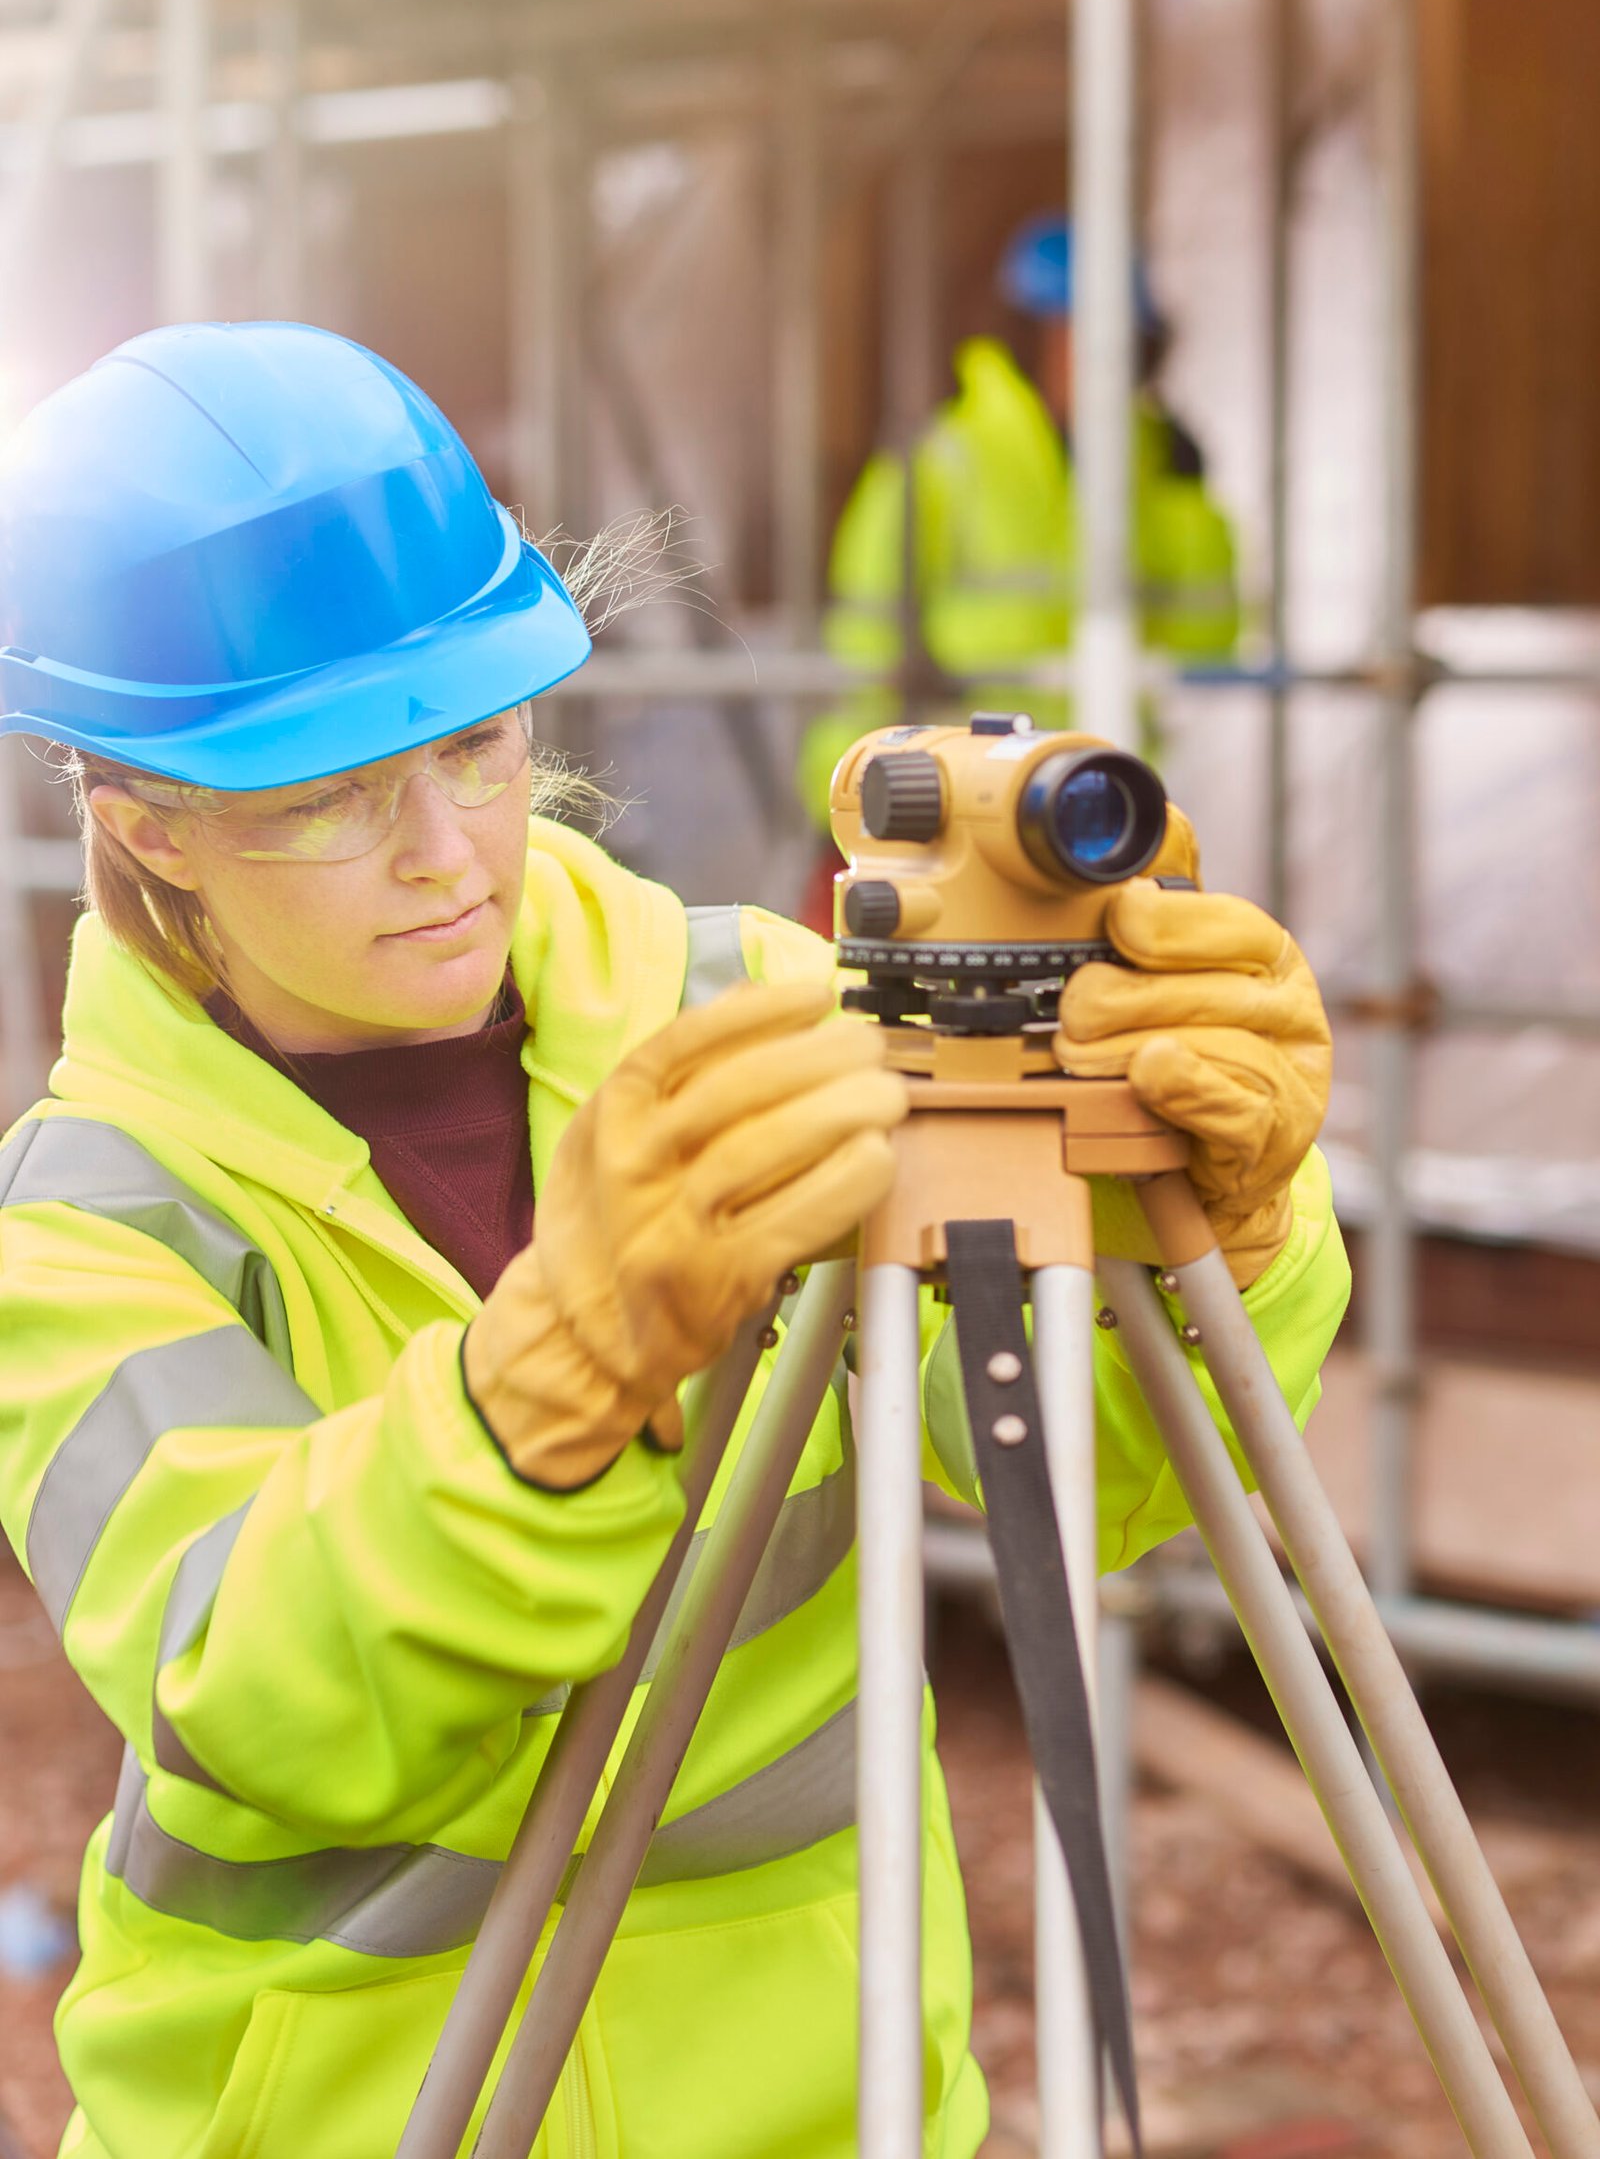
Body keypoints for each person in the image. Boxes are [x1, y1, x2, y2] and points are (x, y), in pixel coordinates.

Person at [0, 320, 1346, 2159]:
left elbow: (1084, 1479)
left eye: (476, 745)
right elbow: (253, 1692)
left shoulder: (758, 1018)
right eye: (327, 795)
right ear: (145, 820)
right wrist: (543, 1386)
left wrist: (1206, 1217)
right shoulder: (83, 1223)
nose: (445, 852)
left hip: (811, 2101)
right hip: (332, 2115)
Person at [795, 214, 1241, 925]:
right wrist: (851, 806)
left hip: (1097, 822)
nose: (1099, 361)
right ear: (1031, 335)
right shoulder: (941, 460)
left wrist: (1188, 506)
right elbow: (865, 656)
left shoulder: (1155, 467)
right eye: (1078, 334)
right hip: (948, 817)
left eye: (1118, 340)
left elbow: (1208, 644)